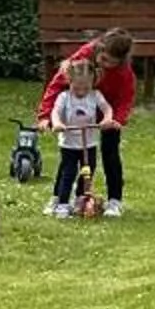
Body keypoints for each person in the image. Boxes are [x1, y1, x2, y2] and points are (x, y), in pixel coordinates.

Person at [36, 29, 134, 217]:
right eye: (102, 58)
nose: (102, 64)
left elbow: (125, 98)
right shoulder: (86, 54)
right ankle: (58, 199)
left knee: (110, 154)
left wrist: (116, 120)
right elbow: (57, 83)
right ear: (99, 49)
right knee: (69, 161)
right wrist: (45, 116)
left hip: (106, 111)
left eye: (109, 63)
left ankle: (115, 200)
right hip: (80, 107)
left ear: (120, 61)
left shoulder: (124, 72)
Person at [45, 56, 113, 218]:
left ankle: (80, 199)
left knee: (87, 171)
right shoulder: (64, 97)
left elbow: (106, 108)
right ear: (69, 82)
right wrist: (57, 123)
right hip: (69, 144)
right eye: (77, 88)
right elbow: (55, 112)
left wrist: (106, 119)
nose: (81, 92)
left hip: (89, 143)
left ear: (92, 83)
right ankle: (62, 203)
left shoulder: (95, 95)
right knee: (68, 173)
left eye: (86, 88)